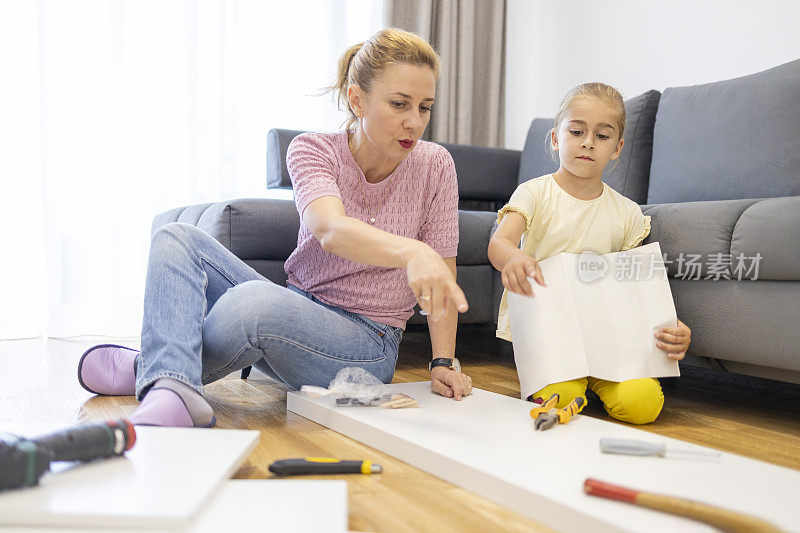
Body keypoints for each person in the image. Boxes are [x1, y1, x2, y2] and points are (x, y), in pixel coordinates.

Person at [76, 28, 473, 428]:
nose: (414, 122)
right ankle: (169, 386)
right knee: (176, 238)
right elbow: (331, 230)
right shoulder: (312, 149)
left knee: (252, 304)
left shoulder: (436, 165)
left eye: (425, 107)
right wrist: (412, 251)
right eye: (399, 104)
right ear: (357, 99)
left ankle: (152, 370)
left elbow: (443, 272)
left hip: (367, 344)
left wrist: (442, 362)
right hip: (297, 310)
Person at [488, 83, 691, 425]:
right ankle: (575, 383)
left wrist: (670, 324)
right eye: (577, 131)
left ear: (617, 148)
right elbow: (499, 243)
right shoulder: (535, 193)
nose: (587, 142)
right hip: (550, 330)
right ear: (555, 138)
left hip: (608, 336)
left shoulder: (627, 212)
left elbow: (638, 283)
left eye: (602, 136)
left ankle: (596, 380)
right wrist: (514, 258)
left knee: (643, 405)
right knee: (562, 398)